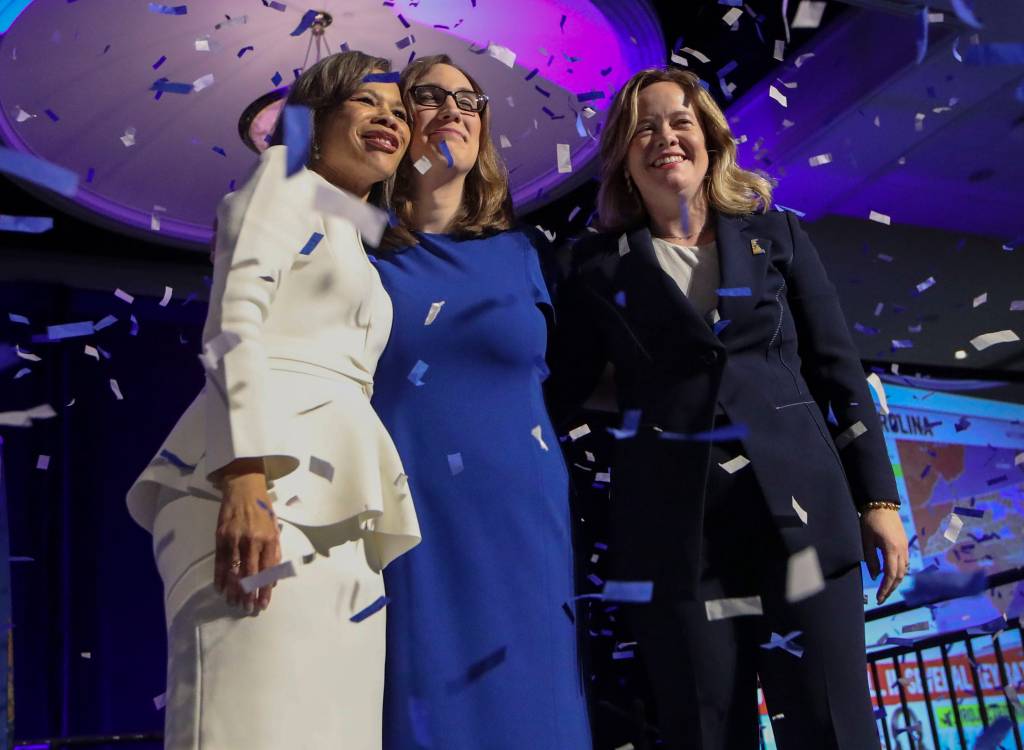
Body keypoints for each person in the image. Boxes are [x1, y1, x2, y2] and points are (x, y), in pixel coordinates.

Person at [546, 67, 909, 750]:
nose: (665, 137)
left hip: (801, 522)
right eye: (644, 128)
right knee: (707, 733)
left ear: (711, 139)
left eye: (680, 121)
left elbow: (837, 369)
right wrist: (657, 401)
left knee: (832, 728)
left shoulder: (777, 236)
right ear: (623, 155)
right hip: (677, 541)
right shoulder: (588, 267)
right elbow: (565, 385)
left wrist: (879, 500)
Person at [126, 51, 420, 750]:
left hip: (339, 499)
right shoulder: (279, 185)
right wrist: (246, 475)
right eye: (368, 104)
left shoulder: (352, 233)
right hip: (264, 484)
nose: (391, 120)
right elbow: (233, 325)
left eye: (401, 113)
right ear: (312, 122)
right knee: (250, 722)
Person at [369, 55, 592, 750]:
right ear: (399, 124)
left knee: (535, 711)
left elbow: (578, 380)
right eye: (429, 96)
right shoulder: (353, 247)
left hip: (525, 516)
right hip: (408, 519)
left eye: (469, 98)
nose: (454, 109)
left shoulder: (525, 255)